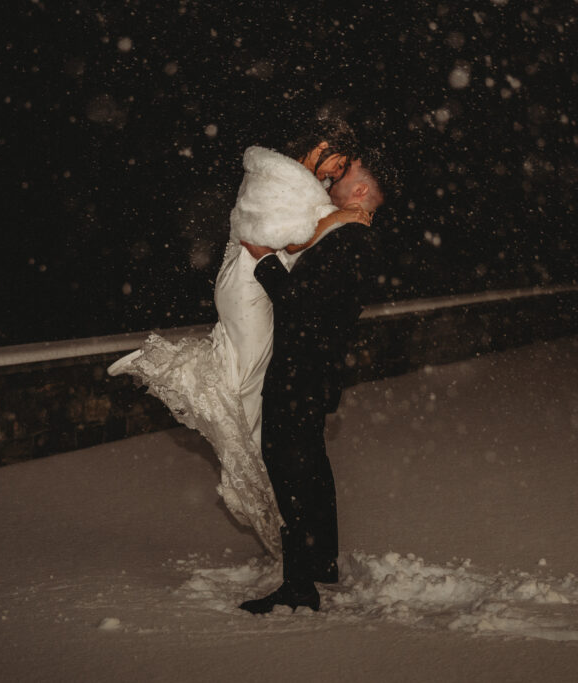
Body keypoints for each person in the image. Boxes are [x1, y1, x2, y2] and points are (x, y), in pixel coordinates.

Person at [107, 122, 368, 557]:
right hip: (249, 285)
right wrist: (338, 217)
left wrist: (328, 214)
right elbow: (273, 240)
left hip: (245, 283)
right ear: (321, 147)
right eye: (338, 163)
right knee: (247, 382)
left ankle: (252, 463)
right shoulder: (275, 178)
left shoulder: (287, 179)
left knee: (245, 377)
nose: (337, 175)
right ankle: (171, 371)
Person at [238, 154, 386, 614]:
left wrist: (263, 263)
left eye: (346, 175)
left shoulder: (351, 242)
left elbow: (301, 306)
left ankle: (299, 584)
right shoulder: (345, 236)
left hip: (301, 371)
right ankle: (320, 561)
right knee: (310, 467)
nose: (335, 180)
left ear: (361, 191)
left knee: (290, 470)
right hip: (311, 370)